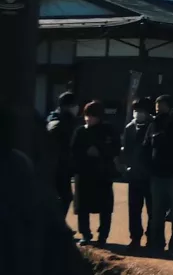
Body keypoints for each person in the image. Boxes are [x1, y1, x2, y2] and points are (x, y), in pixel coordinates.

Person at [145, 95, 173, 257]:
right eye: (157, 109)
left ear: (170, 107)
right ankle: (157, 244)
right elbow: (146, 147)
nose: (158, 111)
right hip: (157, 175)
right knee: (156, 213)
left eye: (161, 108)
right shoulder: (153, 124)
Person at [70, 101, 119, 246]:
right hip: (84, 174)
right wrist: (85, 153)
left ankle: (103, 236)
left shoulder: (108, 130)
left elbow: (115, 148)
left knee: (105, 207)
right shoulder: (80, 131)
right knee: (83, 207)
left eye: (92, 116)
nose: (88, 119)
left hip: (102, 174)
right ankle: (85, 234)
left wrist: (101, 151)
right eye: (86, 116)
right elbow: (73, 150)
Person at [120, 97, 154, 250]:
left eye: (140, 110)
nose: (137, 113)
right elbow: (126, 150)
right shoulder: (129, 128)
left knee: (153, 210)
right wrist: (127, 166)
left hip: (151, 176)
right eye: (136, 110)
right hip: (134, 175)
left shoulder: (154, 125)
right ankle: (135, 238)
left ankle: (152, 239)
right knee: (134, 209)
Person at [46, 91, 80, 216]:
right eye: (75, 105)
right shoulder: (64, 122)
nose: (77, 108)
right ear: (68, 106)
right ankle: (56, 228)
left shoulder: (52, 118)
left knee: (59, 198)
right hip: (60, 166)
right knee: (64, 197)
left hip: (55, 166)